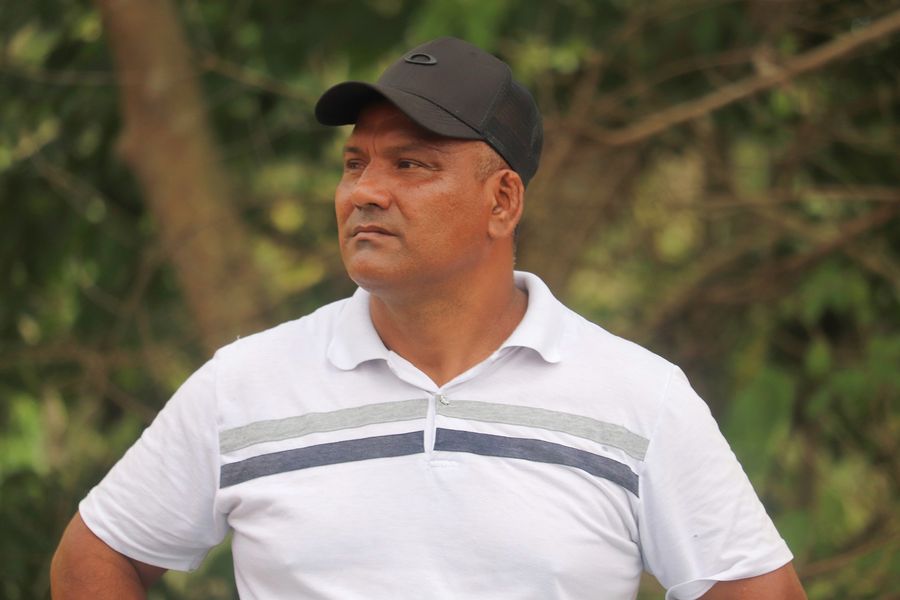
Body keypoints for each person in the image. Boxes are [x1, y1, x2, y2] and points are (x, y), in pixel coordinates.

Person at [51, 37, 806, 599]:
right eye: (355, 164)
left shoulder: (639, 397)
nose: (364, 191)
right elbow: (95, 555)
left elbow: (756, 590)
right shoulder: (244, 385)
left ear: (502, 201)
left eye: (410, 165)